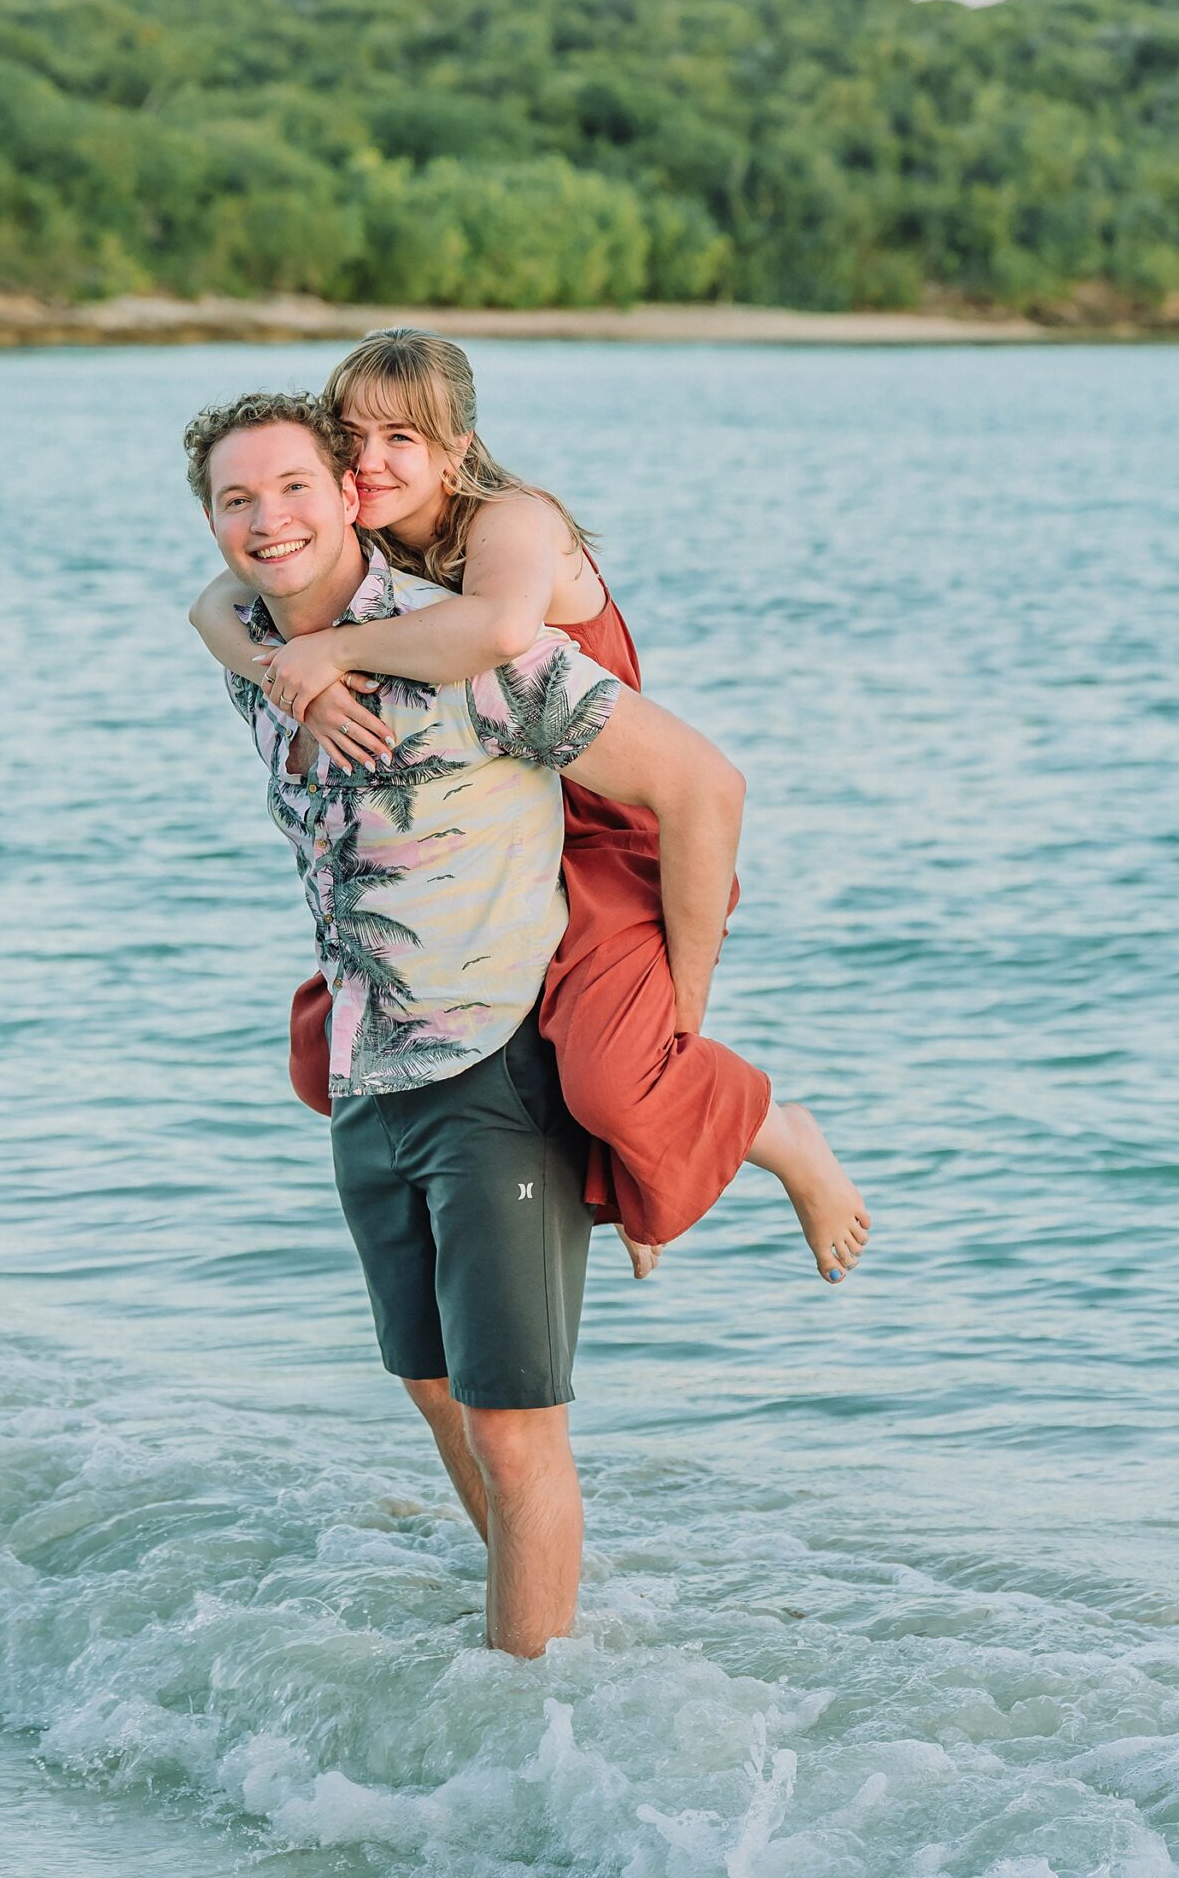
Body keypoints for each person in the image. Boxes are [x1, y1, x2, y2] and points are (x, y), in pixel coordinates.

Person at [185, 386, 763, 1655]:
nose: (267, 518)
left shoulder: (475, 653)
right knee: (435, 1394)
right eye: (237, 499)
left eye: (293, 487)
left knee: (513, 1429)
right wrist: (290, 656)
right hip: (368, 1076)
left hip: (492, 1069)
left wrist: (674, 1008)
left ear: (350, 493)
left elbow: (700, 783)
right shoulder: (263, 660)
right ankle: (532, 1651)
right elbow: (216, 608)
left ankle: (521, 1730)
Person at [191, 328, 870, 1286]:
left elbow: (500, 629)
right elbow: (213, 603)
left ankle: (772, 1131)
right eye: (353, 439)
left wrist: (332, 656)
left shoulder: (509, 519)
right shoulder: (368, 535)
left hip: (610, 825)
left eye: (403, 439)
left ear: (456, 448)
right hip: (500, 826)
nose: (373, 462)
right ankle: (633, 1171)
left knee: (615, 1073)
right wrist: (279, 674)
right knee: (324, 1055)